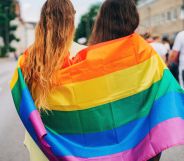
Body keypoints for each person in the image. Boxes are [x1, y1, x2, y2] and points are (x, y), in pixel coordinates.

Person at [11, 0, 184, 161]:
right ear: (71, 21)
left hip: (47, 145)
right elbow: (167, 89)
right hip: (139, 145)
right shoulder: (141, 53)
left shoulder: (28, 62)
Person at [89, 0, 163, 160]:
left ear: (102, 20)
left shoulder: (91, 57)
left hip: (107, 143)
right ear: (133, 17)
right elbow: (162, 92)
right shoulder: (145, 53)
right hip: (144, 141)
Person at [20, 0, 84, 160]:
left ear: (43, 19)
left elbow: (26, 102)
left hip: (41, 142)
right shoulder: (86, 55)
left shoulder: (28, 59)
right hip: (76, 143)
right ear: (71, 19)